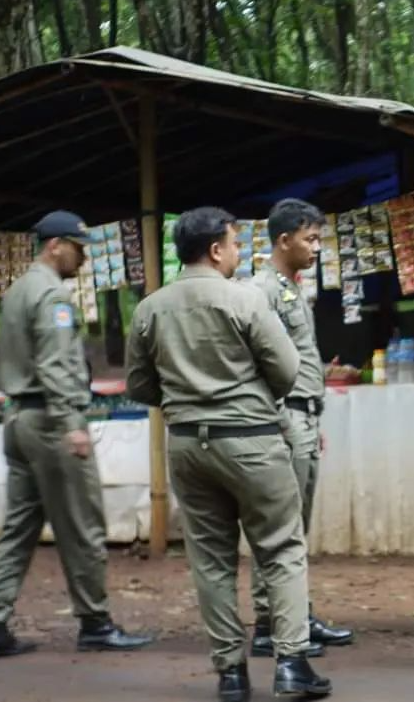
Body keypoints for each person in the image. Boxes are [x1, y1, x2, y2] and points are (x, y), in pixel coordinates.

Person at [125, 207, 331, 701]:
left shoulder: (150, 307)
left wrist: (185, 399)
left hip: (187, 445)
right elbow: (285, 372)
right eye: (236, 244)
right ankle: (291, 665)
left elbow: (138, 384)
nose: (240, 253)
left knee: (211, 560)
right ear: (216, 249)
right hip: (252, 440)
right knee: (281, 548)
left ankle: (231, 674)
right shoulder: (244, 300)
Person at [0, 211, 153, 660]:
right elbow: (56, 364)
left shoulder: (18, 290)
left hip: (18, 420)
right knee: (83, 524)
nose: (82, 258)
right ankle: (95, 622)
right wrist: (73, 425)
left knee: (20, 528)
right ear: (54, 245)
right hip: (49, 423)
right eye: (78, 248)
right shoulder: (52, 295)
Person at [248, 199, 354, 657]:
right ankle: (269, 623)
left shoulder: (291, 288)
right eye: (310, 239)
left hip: (303, 417)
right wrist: (282, 421)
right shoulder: (262, 290)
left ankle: (295, 614)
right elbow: (255, 363)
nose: (316, 248)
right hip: (284, 418)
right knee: (279, 526)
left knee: (295, 527)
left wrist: (312, 414)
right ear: (283, 239)